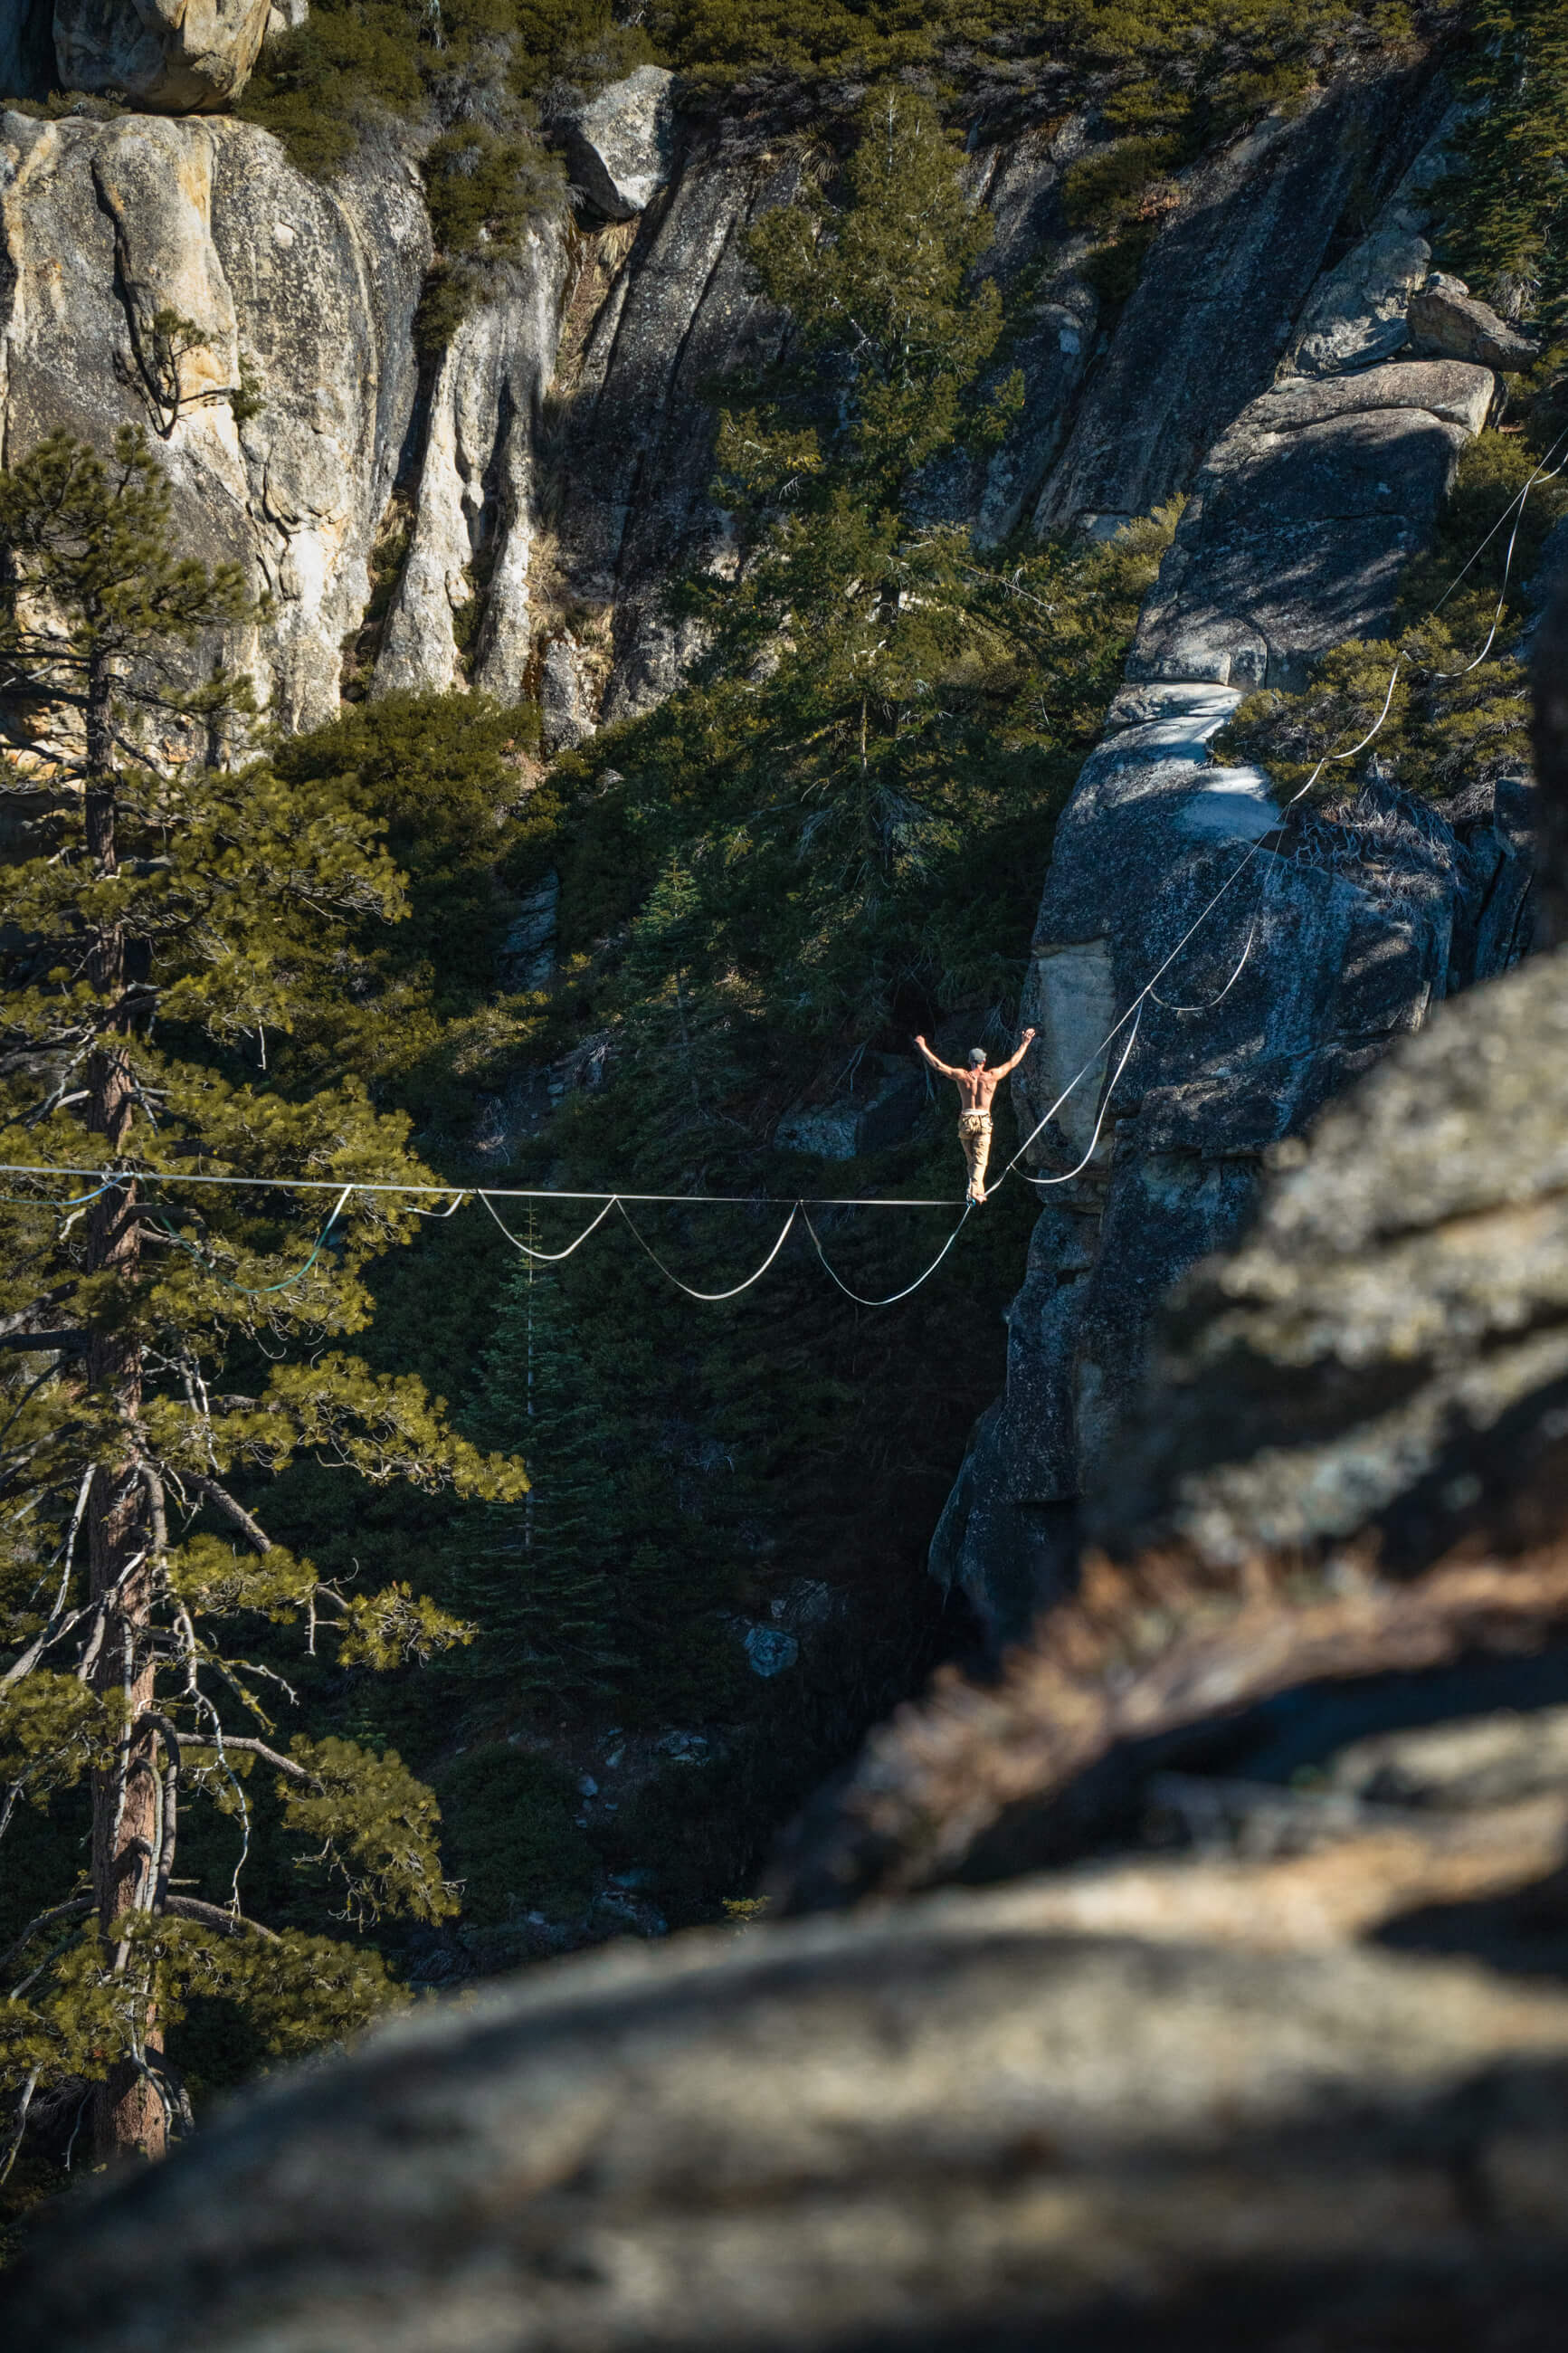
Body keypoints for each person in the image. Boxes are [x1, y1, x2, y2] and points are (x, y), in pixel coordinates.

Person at [913, 1027, 1036, 1204]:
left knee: (971, 1160)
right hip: (983, 1120)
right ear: (984, 1061)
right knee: (980, 1161)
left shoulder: (962, 1076)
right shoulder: (992, 1076)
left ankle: (976, 1190)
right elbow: (1012, 1063)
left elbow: (938, 1066)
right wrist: (1025, 1043)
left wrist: (923, 1047)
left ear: (970, 1062)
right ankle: (974, 1190)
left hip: (966, 1120)